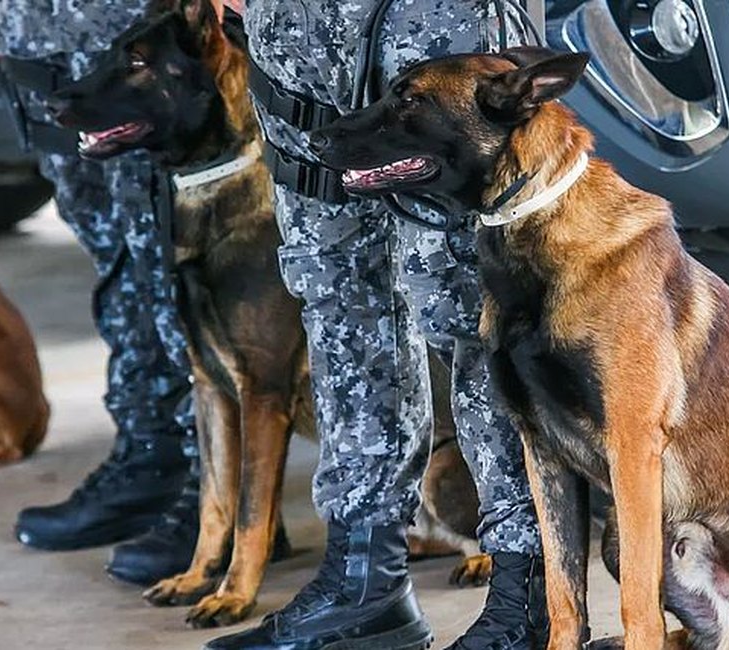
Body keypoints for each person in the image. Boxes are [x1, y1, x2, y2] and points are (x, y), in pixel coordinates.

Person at [205, 2, 547, 650]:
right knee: (336, 294)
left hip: (432, 18)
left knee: (476, 311)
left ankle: (529, 593)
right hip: (294, 28)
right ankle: (365, 586)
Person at [0, 0, 242, 586]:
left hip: (135, 24)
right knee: (110, 246)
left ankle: (217, 488)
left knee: (172, 249)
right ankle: (150, 452)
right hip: (36, 30)